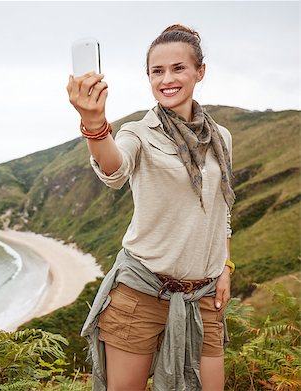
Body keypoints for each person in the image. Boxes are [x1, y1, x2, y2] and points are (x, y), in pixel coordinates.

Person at [66, 24, 236, 391]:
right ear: (148, 78)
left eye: (178, 68)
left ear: (199, 72)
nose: (167, 79)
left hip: (202, 299)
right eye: (157, 71)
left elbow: (221, 213)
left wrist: (225, 267)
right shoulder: (137, 133)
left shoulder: (221, 139)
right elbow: (114, 168)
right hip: (140, 293)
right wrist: (95, 124)